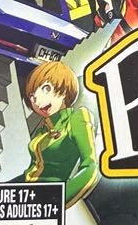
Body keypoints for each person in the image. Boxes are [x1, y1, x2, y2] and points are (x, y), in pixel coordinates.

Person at [21, 61, 98, 207]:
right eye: (32, 95)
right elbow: (30, 174)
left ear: (65, 91)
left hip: (45, 202)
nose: (36, 100)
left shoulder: (77, 118)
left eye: (46, 89)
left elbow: (91, 167)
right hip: (26, 199)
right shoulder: (42, 131)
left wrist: (57, 203)